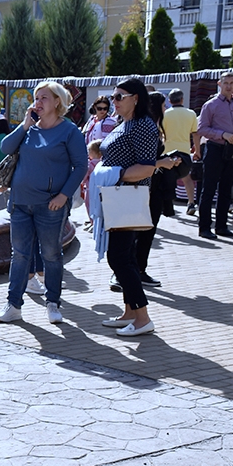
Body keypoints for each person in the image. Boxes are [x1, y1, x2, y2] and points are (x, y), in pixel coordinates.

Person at [0, 81, 87, 325]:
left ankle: (53, 302)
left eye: (44, 97)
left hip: (50, 205)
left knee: (51, 255)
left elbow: (81, 166)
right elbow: (6, 147)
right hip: (20, 203)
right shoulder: (30, 129)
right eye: (36, 97)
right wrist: (25, 124)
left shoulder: (69, 131)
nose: (38, 102)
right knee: (20, 255)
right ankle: (14, 304)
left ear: (57, 101)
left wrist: (63, 195)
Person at [97, 78, 169, 337]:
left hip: (128, 198)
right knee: (123, 257)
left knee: (118, 258)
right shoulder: (124, 123)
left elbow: (147, 167)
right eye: (112, 96)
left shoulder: (142, 126)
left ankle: (142, 317)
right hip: (117, 196)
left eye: (119, 96)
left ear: (135, 98)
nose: (112, 101)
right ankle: (130, 312)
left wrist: (112, 174)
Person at [131, 91, 181, 290]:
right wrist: (164, 162)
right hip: (147, 187)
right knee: (143, 231)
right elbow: (145, 160)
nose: (166, 109)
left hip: (151, 186)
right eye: (163, 105)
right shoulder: (148, 127)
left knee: (144, 230)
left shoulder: (150, 126)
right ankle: (136, 271)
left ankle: (136, 269)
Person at [196, 72, 233, 240]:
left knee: (226, 189)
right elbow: (201, 129)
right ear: (219, 84)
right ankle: (204, 227)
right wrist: (222, 134)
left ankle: (222, 226)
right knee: (209, 189)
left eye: (231, 83)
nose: (228, 86)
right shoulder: (210, 105)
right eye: (225, 83)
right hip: (214, 149)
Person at [162, 89, 199, 215]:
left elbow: (161, 133)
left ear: (169, 100)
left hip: (167, 150)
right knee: (186, 178)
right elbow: (195, 133)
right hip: (184, 149)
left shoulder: (165, 114)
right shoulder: (191, 113)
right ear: (182, 99)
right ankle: (191, 202)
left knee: (166, 179)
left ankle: (167, 205)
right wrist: (197, 150)